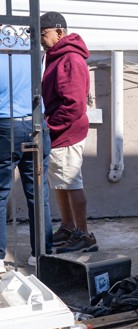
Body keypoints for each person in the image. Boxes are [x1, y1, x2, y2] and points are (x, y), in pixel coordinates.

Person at [40, 11, 96, 252]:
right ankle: (68, 227)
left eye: (44, 34)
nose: (41, 39)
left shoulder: (70, 59)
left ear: (59, 32)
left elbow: (73, 103)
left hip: (66, 131)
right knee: (60, 182)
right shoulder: (56, 56)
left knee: (72, 181)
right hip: (60, 131)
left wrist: (50, 126)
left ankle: (84, 235)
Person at [0, 38, 53, 269]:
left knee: (0, 195)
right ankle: (42, 254)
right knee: (38, 194)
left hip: (5, 126)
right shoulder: (31, 53)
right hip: (35, 125)